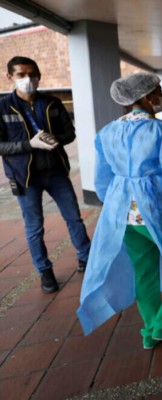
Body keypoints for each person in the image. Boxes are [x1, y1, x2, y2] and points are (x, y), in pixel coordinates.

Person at [77, 72, 162, 350]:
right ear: (144, 97)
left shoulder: (106, 133)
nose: (160, 96)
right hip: (157, 214)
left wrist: (118, 207)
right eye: (156, 91)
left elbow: (102, 181)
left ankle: (149, 330)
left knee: (144, 274)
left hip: (121, 217)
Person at [0, 56, 91, 293]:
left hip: (56, 171)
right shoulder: (2, 107)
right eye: (21, 74)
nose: (27, 79)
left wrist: (55, 140)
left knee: (74, 218)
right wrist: (30, 145)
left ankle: (86, 257)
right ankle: (44, 271)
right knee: (34, 227)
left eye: (32, 74)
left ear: (39, 76)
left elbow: (69, 134)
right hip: (25, 177)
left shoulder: (52, 103)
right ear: (10, 77)